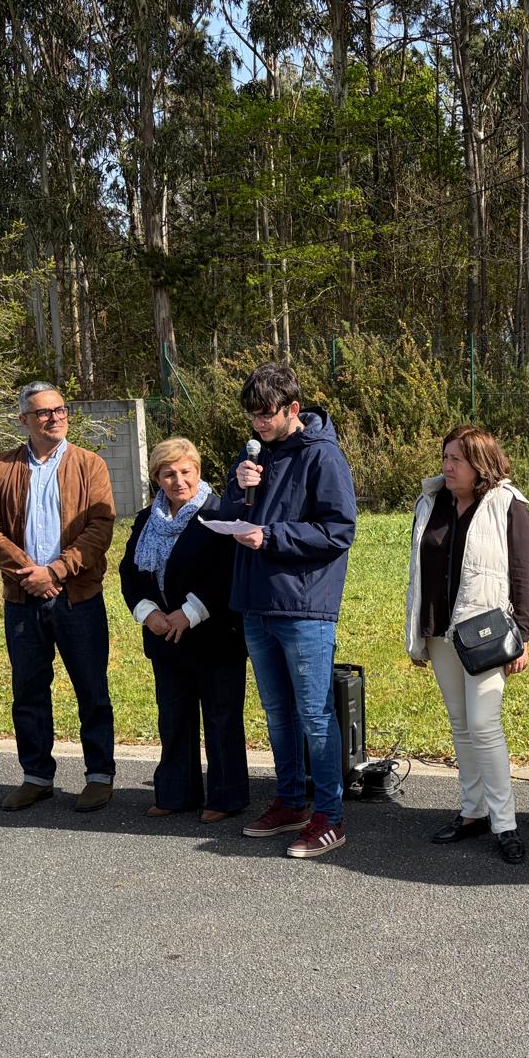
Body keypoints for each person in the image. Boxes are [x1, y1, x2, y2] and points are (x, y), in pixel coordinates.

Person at [220, 362, 358, 859]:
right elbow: (227, 515)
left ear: (293, 408)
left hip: (302, 606)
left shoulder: (322, 455)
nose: (258, 423)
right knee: (277, 712)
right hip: (255, 603)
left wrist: (272, 536)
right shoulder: (252, 454)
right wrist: (236, 487)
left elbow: (339, 530)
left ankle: (330, 817)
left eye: (266, 414)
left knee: (314, 715)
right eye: (252, 416)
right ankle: (291, 801)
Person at [0, 381, 117, 813]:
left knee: (91, 689)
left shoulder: (90, 464)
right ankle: (36, 777)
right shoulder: (3, 466)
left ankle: (99, 776)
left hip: (77, 596)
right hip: (23, 599)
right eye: (43, 412)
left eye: (60, 410)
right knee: (29, 690)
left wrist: (54, 571)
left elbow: (100, 528)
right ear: (24, 420)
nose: (55, 417)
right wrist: (29, 573)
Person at [404, 426, 529, 865]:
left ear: (480, 463)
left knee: (483, 724)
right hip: (440, 630)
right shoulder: (431, 502)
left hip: (486, 634)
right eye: (445, 457)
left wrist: (523, 635)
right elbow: (418, 570)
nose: (447, 466)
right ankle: (473, 810)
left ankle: (506, 823)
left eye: (456, 459)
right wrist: (417, 632)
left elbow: (523, 573)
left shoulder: (508, 504)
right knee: (461, 724)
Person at [118, 438, 250, 823]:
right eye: (168, 474)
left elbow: (228, 570)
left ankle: (225, 798)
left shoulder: (219, 513)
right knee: (173, 717)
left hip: (215, 635)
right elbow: (129, 572)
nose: (178, 481)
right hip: (164, 636)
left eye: (185, 471)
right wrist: (148, 613)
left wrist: (189, 613)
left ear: (198, 471)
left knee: (221, 719)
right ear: (157, 478)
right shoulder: (147, 519)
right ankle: (176, 794)